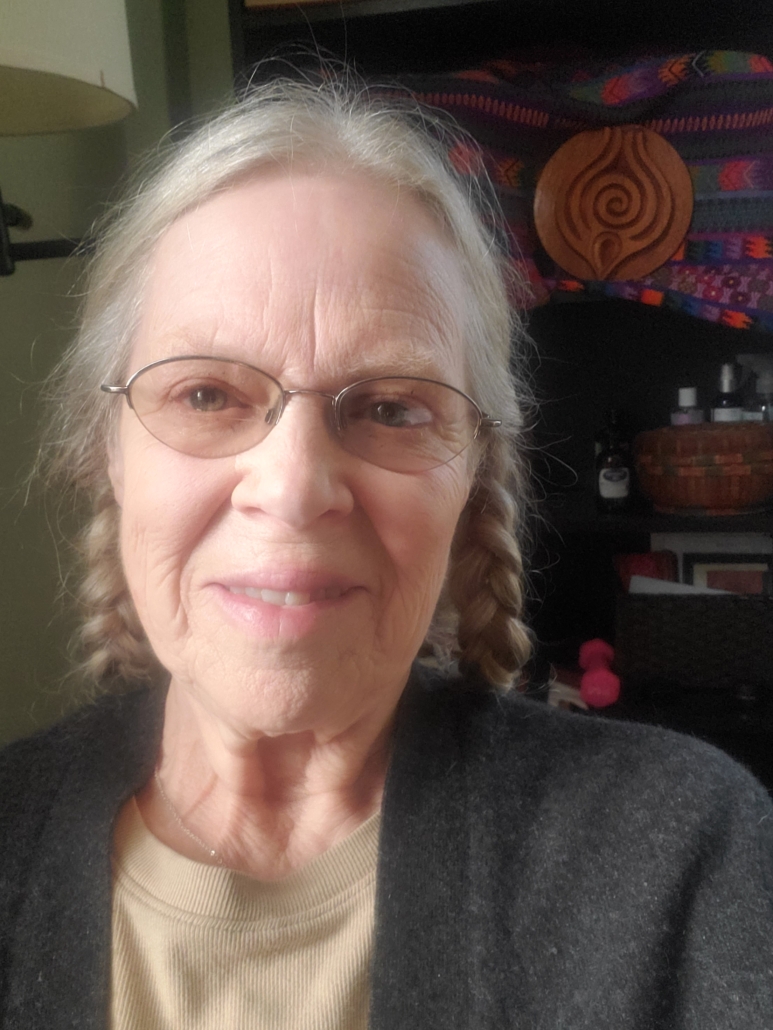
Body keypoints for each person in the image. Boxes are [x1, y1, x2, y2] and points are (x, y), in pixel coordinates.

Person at [1, 76, 771, 1030]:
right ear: (107, 450)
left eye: (391, 407)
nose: (292, 489)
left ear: (472, 474)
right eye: (205, 395)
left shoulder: (679, 859)